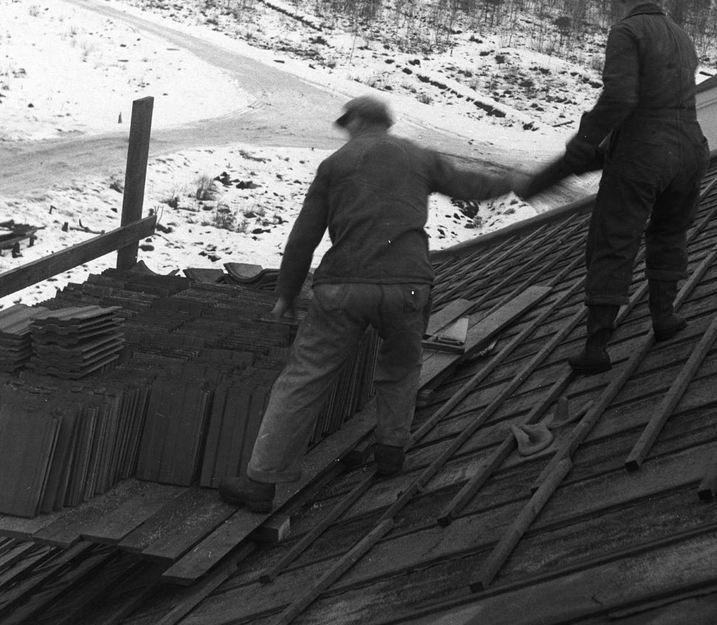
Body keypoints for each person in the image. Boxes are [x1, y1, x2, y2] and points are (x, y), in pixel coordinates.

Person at [219, 95, 519, 514]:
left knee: (304, 379)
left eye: (348, 124)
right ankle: (391, 451)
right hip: (408, 286)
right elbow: (472, 186)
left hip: (344, 287)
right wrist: (515, 180)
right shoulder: (418, 157)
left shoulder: (336, 165)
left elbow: (304, 236)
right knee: (400, 367)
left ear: (358, 121)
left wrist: (286, 293)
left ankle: (261, 482)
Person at [519, 0, 710, 374]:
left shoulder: (626, 32)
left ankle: (597, 347)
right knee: (670, 231)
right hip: (691, 147)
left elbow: (621, 98)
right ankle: (664, 318)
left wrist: (583, 144)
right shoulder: (682, 35)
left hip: (644, 152)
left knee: (613, 240)